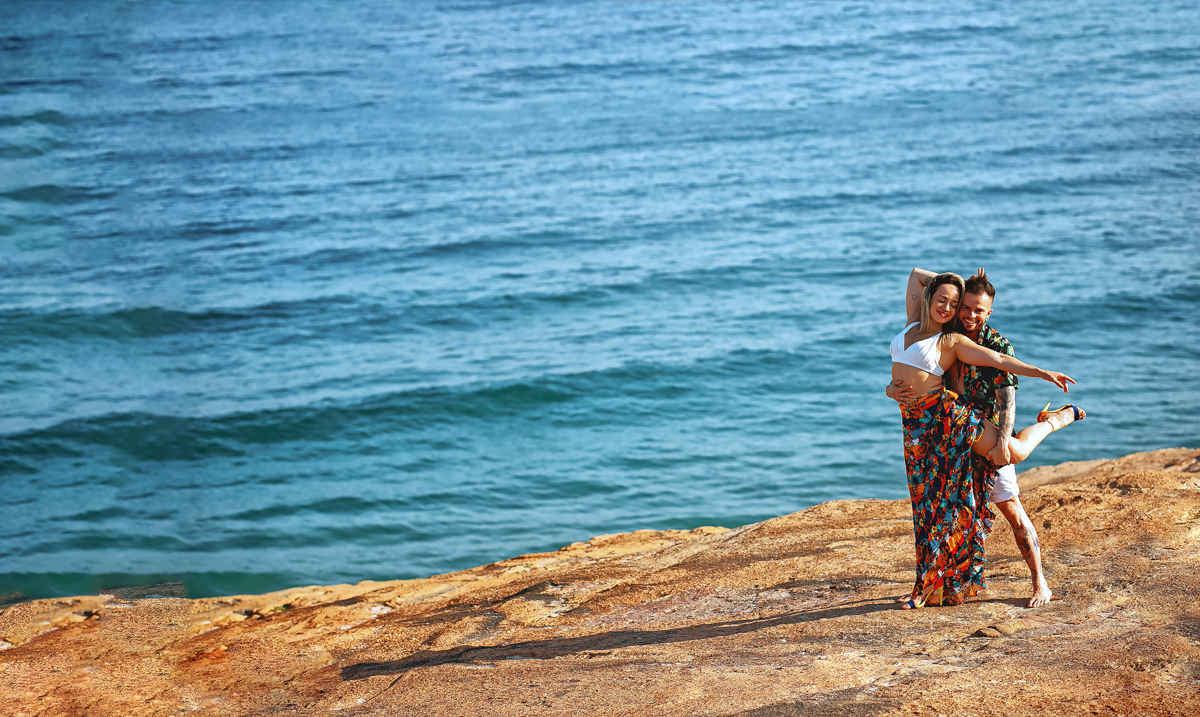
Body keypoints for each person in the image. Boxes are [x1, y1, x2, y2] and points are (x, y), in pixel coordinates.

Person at [886, 268, 1084, 609]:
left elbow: (1001, 364)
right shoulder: (915, 323)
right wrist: (891, 390)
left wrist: (1041, 372)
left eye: (960, 305)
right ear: (932, 299)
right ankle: (930, 588)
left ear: (989, 312)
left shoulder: (959, 341)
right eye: (946, 301)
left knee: (1012, 475)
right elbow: (918, 275)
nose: (951, 309)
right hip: (921, 430)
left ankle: (1055, 421)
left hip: (958, 421)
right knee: (931, 509)